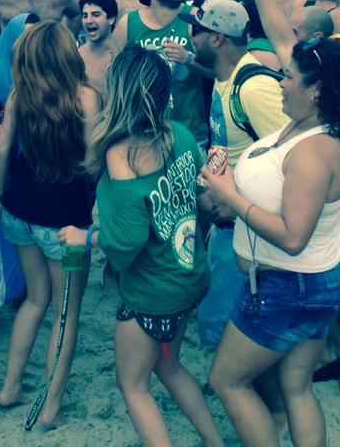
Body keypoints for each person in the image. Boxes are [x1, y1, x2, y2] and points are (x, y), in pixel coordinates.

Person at [202, 34, 340, 447]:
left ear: (317, 91)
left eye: (289, 76)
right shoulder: (313, 127)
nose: (279, 81)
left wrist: (231, 197)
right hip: (314, 278)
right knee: (296, 385)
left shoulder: (314, 152)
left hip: (288, 285)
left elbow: (293, 237)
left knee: (228, 381)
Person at [59, 46, 223, 447]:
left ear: (119, 92)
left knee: (133, 385)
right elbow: (197, 203)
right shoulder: (182, 135)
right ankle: (215, 442)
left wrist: (86, 237)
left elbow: (125, 244)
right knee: (169, 366)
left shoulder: (121, 156)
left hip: (152, 292)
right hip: (189, 276)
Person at [0, 22, 100, 427]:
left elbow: (4, 148)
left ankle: (10, 387)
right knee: (64, 313)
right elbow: (92, 162)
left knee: (35, 301)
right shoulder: (85, 98)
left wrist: (3, 198)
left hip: (20, 210)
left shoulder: (20, 95)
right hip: (64, 222)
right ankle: (51, 406)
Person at [188, 0, 290, 350]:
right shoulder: (224, 79)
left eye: (196, 30)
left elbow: (294, 159)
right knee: (218, 316)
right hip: (229, 221)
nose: (190, 36)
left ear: (217, 39)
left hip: (248, 225)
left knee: (223, 323)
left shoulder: (253, 86)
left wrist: (237, 204)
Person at [111, 0, 211, 147]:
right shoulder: (129, 23)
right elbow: (116, 77)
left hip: (190, 134)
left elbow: (219, 73)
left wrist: (188, 59)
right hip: (141, 134)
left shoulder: (196, 18)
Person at [78, 0, 119, 98]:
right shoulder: (76, 56)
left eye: (96, 15)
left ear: (111, 19)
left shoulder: (122, 56)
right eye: (85, 15)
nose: (89, 21)